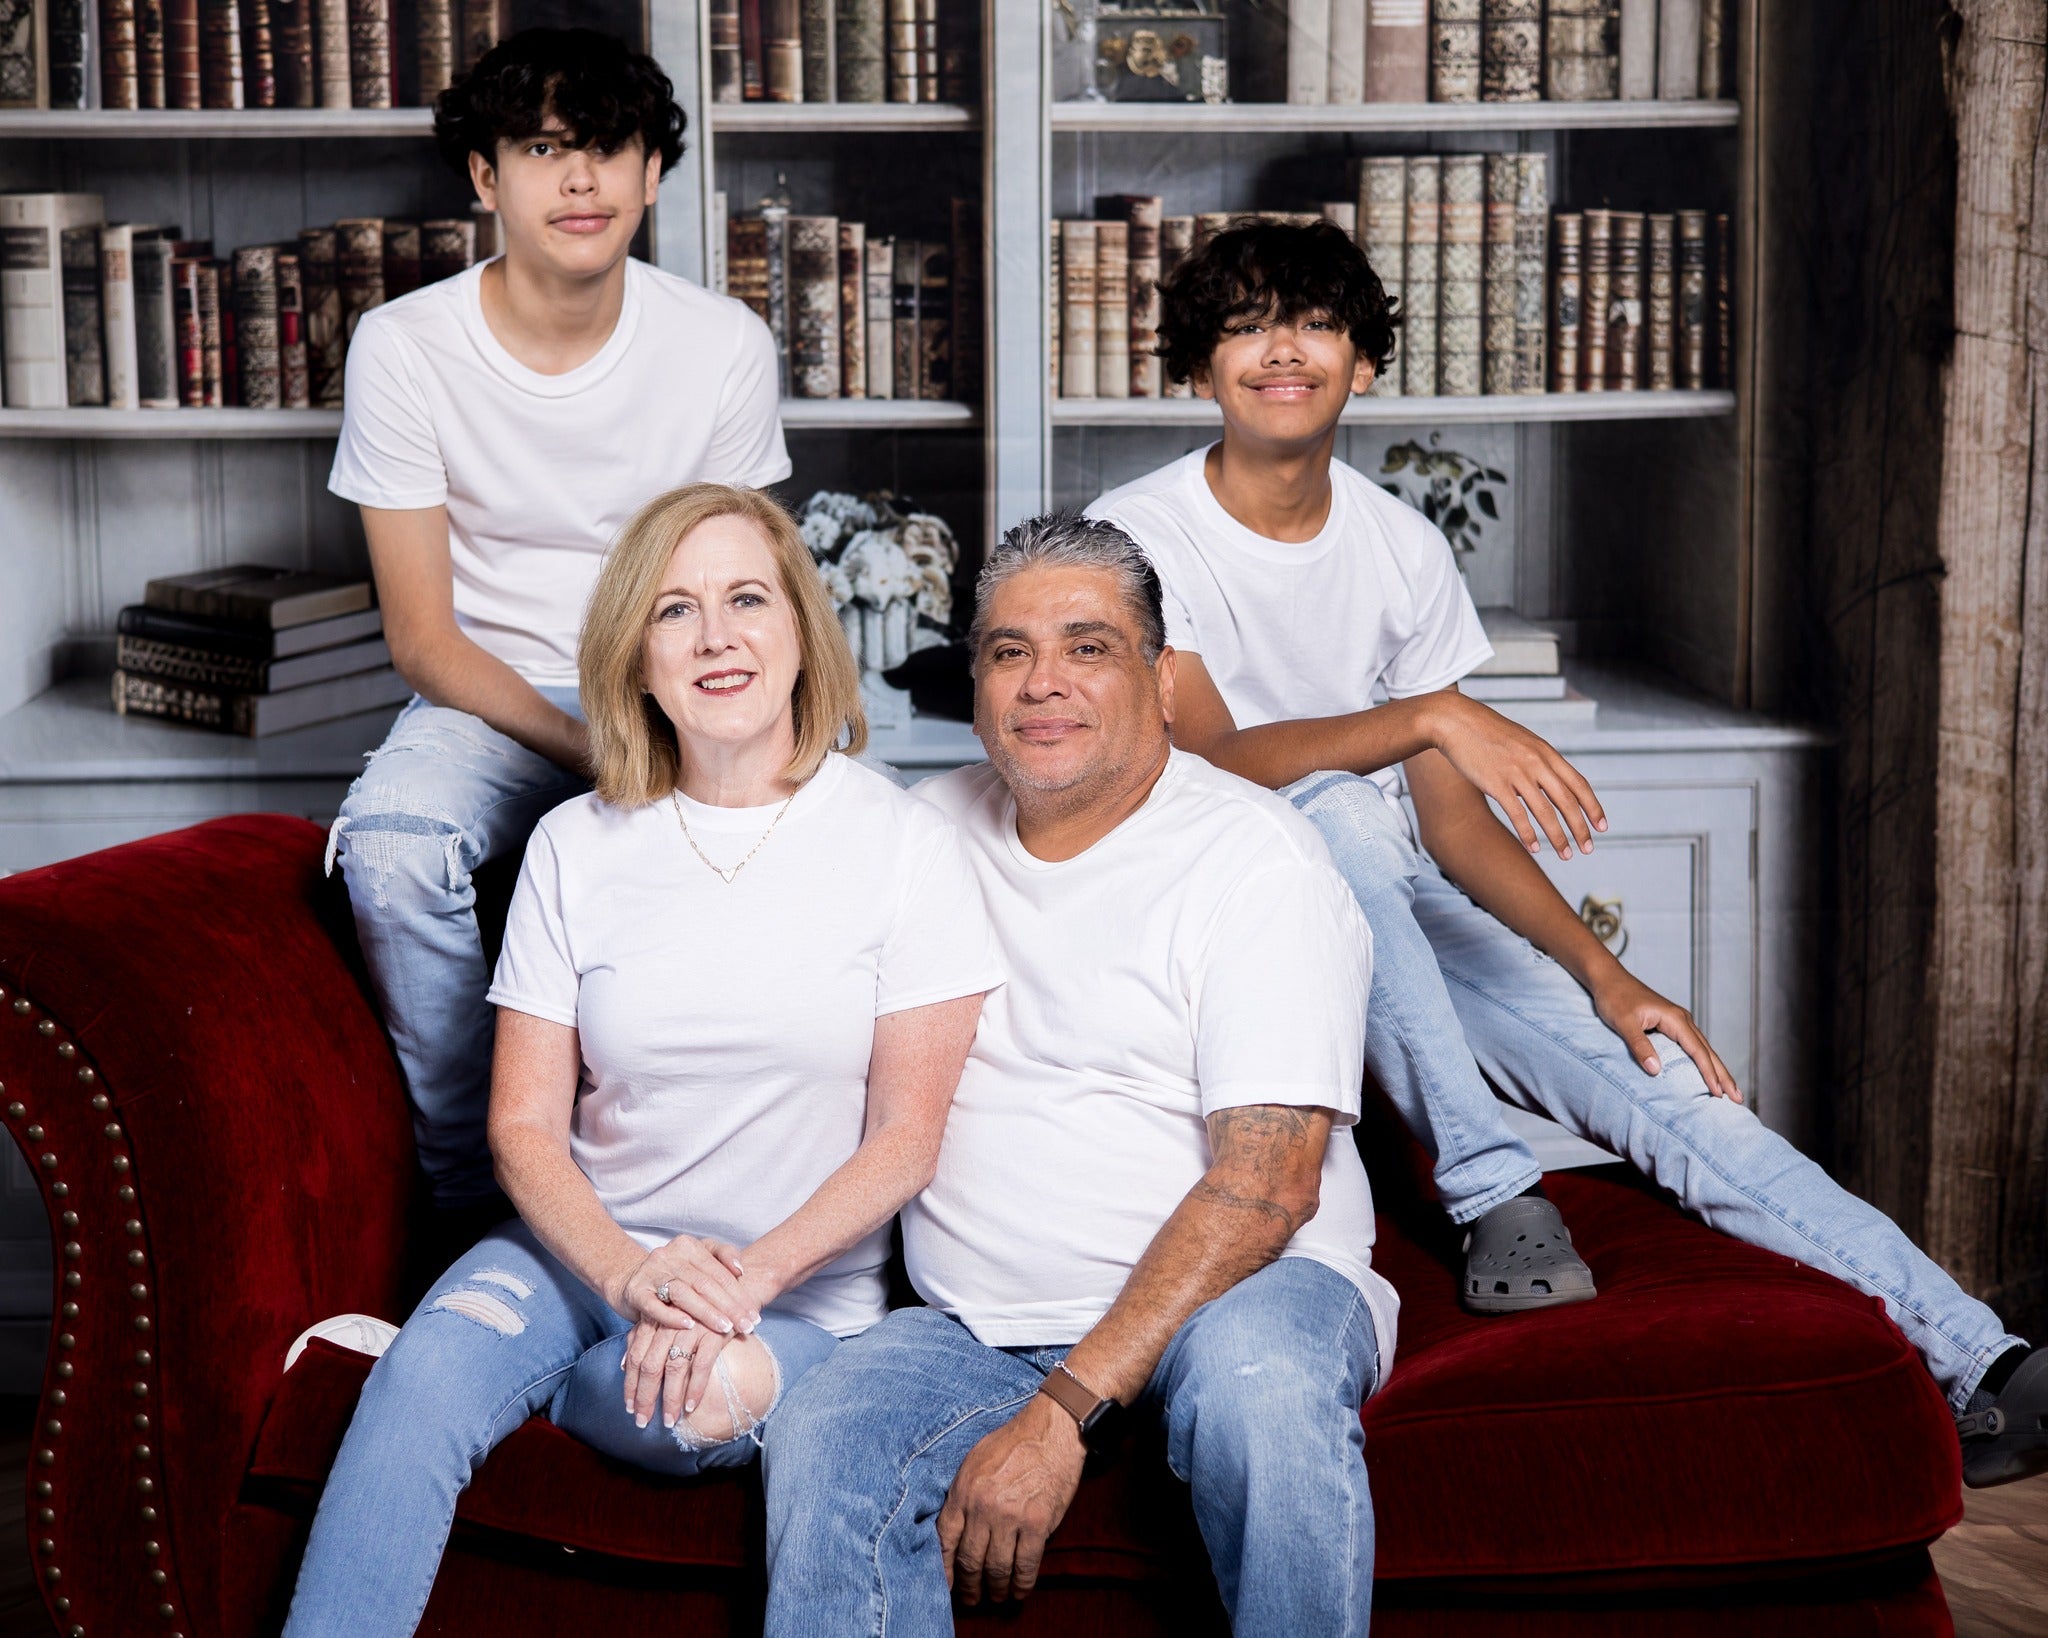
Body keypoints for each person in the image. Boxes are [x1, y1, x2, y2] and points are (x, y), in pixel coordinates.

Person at [1089, 215, 2044, 1486]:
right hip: (1210, 921)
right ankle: (1491, 1189)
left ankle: (1982, 1363)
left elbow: (1448, 817)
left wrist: (1605, 976)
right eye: (1246, 323)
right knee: (1318, 818)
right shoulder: (1135, 531)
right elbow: (1205, 761)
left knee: (1664, 1080)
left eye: (1313, 323)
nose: (1281, 350)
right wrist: (1427, 712)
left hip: (1385, 916)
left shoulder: (1398, 546)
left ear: (1361, 364)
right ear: (1197, 364)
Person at [283, 484, 1001, 1635]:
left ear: (800, 633)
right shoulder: (576, 844)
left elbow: (906, 1139)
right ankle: (457, 1366)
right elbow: (520, 1125)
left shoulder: (903, 843)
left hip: (796, 1295)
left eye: (744, 599)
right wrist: (627, 1277)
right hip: (582, 1254)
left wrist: (736, 1288)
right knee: (420, 1384)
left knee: (690, 1406)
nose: (715, 636)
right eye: (674, 611)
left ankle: (551, 1382)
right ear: (637, 659)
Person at [763, 514, 1391, 1636]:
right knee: (828, 1432)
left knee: (1265, 1397)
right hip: (976, 1321)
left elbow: (1268, 1188)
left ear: (1159, 682)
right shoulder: (923, 832)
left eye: (1087, 647)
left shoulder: (1253, 860)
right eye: (1009, 652)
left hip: (1245, 1291)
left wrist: (1061, 1412)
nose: (1042, 683)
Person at [325, 27, 790, 1216]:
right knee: (389, 849)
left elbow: (749, 585)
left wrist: (696, 736)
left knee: (825, 848)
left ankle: (748, 1202)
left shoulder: (722, 343)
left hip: (681, 676)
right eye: (542, 149)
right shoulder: (405, 347)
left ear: (649, 174)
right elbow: (424, 640)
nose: (578, 181)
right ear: (485, 177)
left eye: (605, 150)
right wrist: (597, 754)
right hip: (487, 691)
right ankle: (482, 1197)